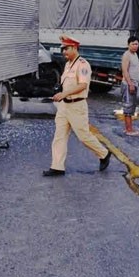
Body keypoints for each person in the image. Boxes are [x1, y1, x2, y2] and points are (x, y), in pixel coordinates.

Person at [43, 35, 111, 177]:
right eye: (63, 49)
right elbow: (66, 85)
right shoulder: (68, 64)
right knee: (59, 137)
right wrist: (59, 94)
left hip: (77, 105)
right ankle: (57, 166)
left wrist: (64, 93)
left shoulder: (83, 64)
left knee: (83, 136)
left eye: (66, 49)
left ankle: (103, 153)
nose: (64, 52)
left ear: (74, 48)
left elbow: (83, 85)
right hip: (64, 106)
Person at [120, 36, 139, 136]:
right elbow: (125, 71)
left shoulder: (135, 54)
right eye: (133, 44)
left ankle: (128, 128)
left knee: (132, 107)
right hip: (129, 84)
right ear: (128, 45)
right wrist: (130, 84)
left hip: (134, 83)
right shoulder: (126, 55)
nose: (135, 46)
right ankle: (129, 130)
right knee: (128, 107)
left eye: (136, 44)